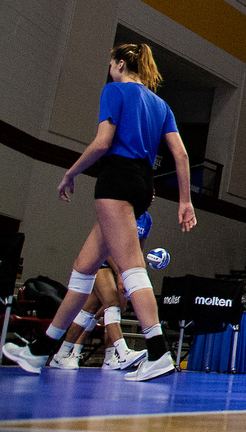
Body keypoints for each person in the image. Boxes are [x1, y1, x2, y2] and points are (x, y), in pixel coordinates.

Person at [1, 43, 197, 381]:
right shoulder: (161, 104)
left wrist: (70, 173)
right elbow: (180, 155)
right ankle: (42, 350)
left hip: (116, 179)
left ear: (121, 64)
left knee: (132, 267)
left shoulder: (114, 91)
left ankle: (158, 351)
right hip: (141, 184)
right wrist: (185, 200)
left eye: (111, 64)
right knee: (84, 268)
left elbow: (103, 142)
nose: (109, 70)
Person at [46, 211, 154, 370]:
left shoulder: (147, 220)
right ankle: (123, 352)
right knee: (113, 303)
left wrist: (136, 272)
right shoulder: (121, 210)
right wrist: (119, 273)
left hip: (122, 268)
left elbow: (138, 250)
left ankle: (63, 354)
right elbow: (107, 246)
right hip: (103, 263)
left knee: (88, 312)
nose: (150, 197)